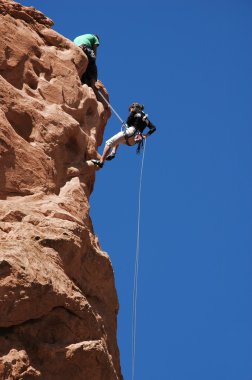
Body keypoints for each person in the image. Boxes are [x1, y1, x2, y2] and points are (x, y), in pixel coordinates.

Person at [92, 102, 156, 168]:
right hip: (133, 141)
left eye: (130, 109)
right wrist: (145, 135)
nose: (130, 111)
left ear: (133, 107)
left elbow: (128, 121)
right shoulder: (146, 118)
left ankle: (101, 161)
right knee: (118, 139)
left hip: (131, 131)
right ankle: (113, 152)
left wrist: (128, 122)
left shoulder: (135, 110)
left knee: (108, 143)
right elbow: (153, 128)